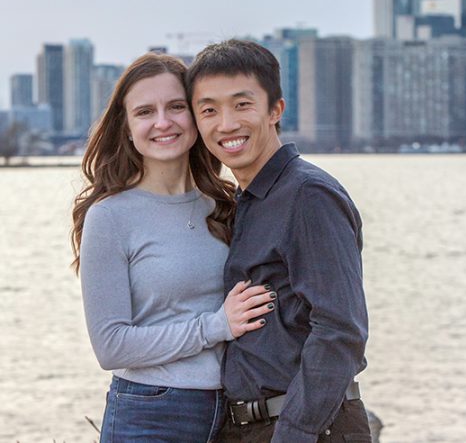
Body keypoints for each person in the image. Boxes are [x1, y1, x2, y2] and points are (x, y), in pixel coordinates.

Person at [72, 53, 275, 441]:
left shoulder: (227, 205)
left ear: (197, 117)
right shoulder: (110, 217)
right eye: (145, 111)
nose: (163, 122)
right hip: (151, 413)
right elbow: (111, 346)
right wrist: (216, 326)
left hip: (238, 411)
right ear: (128, 127)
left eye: (177, 107)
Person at [186, 39, 370, 443]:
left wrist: (293, 434)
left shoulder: (308, 195)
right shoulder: (244, 202)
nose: (226, 124)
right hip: (249, 427)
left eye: (242, 104)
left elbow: (341, 330)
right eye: (209, 110)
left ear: (275, 110)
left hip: (307, 429)